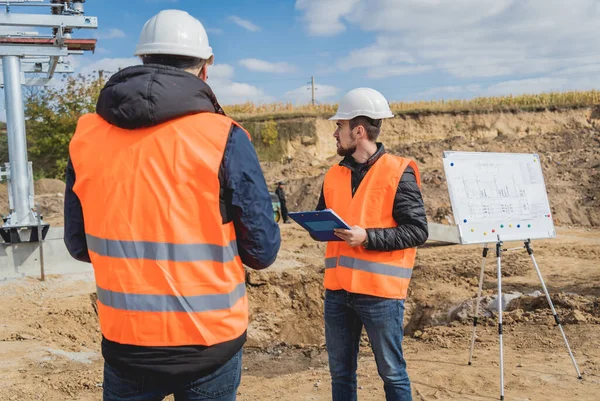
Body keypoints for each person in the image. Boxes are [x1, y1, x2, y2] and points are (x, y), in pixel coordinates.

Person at [63, 9, 280, 401]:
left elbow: (79, 246)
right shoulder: (223, 137)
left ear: (142, 59)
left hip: (125, 343)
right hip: (208, 344)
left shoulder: (86, 137)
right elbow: (262, 252)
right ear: (205, 68)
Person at [315, 88, 428, 401]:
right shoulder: (333, 175)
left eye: (340, 126)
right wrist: (316, 227)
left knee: (392, 372)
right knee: (341, 373)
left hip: (380, 294)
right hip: (337, 293)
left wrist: (369, 237)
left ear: (358, 130)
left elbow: (417, 230)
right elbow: (324, 218)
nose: (335, 133)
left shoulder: (398, 171)